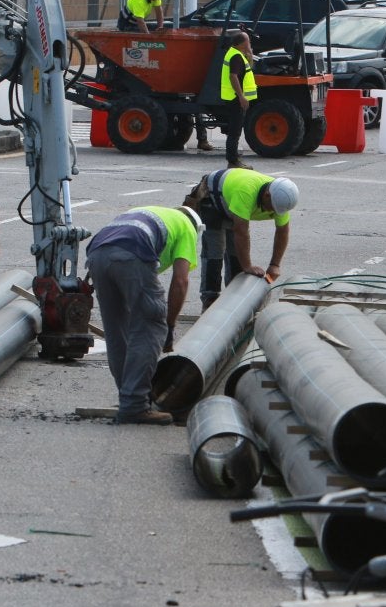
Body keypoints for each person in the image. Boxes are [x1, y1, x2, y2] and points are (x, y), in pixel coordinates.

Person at [85, 205, 203, 425]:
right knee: (151, 325)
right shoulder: (188, 228)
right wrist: (169, 325)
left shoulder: (154, 214)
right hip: (131, 253)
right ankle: (135, 405)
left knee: (116, 330)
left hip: (97, 254)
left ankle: (128, 397)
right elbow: (180, 281)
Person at [185, 168, 298, 309]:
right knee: (214, 252)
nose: (272, 212)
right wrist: (248, 266)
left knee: (235, 256)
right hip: (213, 198)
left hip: (232, 200)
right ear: (267, 195)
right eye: (272, 208)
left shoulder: (280, 200)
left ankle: (233, 301)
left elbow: (282, 231)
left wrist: (275, 265)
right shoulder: (246, 192)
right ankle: (209, 301)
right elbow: (241, 231)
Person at [218, 29, 257, 167]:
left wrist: (250, 54)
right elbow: (233, 76)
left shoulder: (236, 53)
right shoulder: (236, 57)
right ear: (241, 43)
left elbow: (248, 69)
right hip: (235, 99)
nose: (249, 43)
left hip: (233, 97)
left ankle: (233, 159)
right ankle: (233, 161)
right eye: (248, 41)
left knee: (234, 130)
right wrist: (241, 96)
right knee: (234, 131)